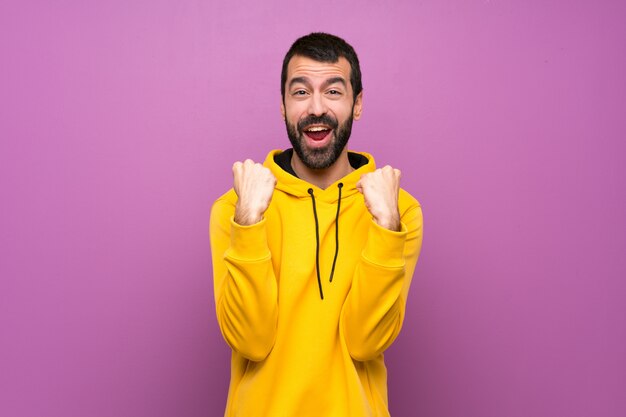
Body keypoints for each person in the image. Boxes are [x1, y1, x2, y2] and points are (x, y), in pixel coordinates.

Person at [209, 32, 423, 417]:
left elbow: (365, 343)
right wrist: (248, 223)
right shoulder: (236, 207)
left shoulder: (399, 212)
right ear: (283, 105)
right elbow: (250, 342)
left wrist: (387, 227)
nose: (316, 108)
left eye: (334, 92)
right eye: (301, 92)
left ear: (357, 104)